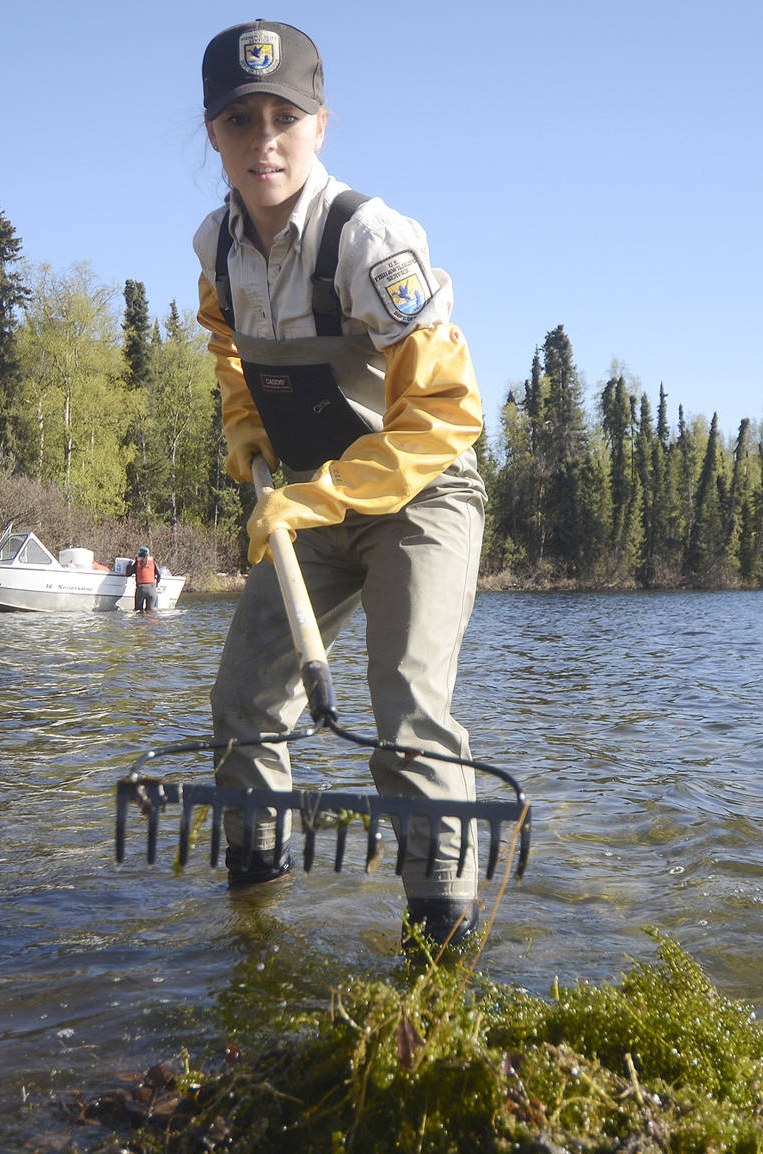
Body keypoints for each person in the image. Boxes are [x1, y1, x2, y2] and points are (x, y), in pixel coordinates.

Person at [193, 19, 487, 943]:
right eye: (242, 120)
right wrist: (245, 428)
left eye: (285, 116)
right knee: (243, 699)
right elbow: (229, 349)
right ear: (215, 135)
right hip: (311, 498)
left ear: (322, 125)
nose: (264, 139)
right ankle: (260, 905)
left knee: (407, 711)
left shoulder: (369, 240)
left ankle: (442, 946)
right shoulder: (217, 248)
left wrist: (312, 496)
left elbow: (446, 414)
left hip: (424, 496)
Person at [128, 545, 160, 612]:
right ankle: (149, 622)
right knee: (150, 612)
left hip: (141, 589)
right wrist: (157, 584)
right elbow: (159, 574)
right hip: (152, 589)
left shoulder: (137, 563)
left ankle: (140, 622)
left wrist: (129, 565)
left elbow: (128, 573)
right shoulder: (153, 562)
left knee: (138, 611)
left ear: (139, 553)